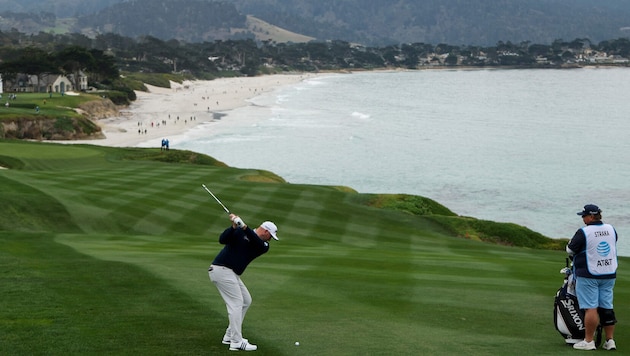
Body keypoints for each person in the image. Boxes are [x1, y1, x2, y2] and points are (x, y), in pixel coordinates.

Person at [208, 213, 279, 351]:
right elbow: (222, 240)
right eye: (271, 236)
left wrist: (244, 227)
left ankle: (229, 335)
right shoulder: (240, 232)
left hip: (230, 273)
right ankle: (236, 341)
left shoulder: (263, 245)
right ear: (265, 231)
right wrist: (233, 227)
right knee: (236, 303)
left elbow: (255, 242)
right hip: (221, 269)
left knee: (246, 300)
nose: (271, 239)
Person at [566, 204, 618, 351]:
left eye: (584, 216)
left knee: (590, 308)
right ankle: (610, 341)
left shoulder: (584, 232)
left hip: (589, 274)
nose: (583, 218)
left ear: (590, 216)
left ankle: (589, 341)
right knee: (607, 307)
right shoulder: (611, 229)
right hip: (608, 273)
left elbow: (570, 249)